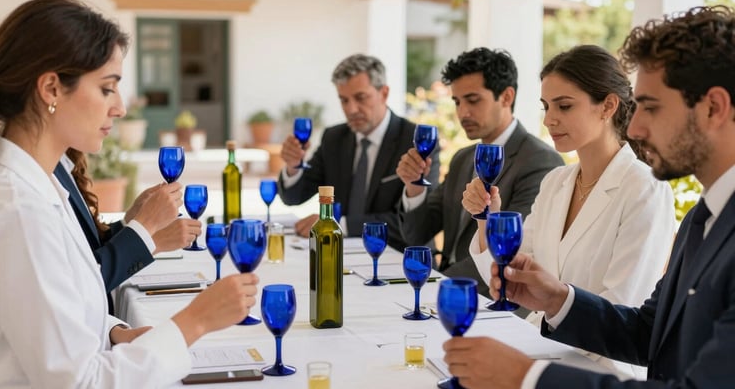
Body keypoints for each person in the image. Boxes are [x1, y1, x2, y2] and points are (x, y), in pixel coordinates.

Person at [0, 0, 258, 388]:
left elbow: (50, 313)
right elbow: (80, 383)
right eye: (107, 89)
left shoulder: (40, 187)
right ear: (51, 88)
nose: (120, 108)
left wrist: (113, 333)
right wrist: (196, 321)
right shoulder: (17, 210)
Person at [443, 5, 735, 389]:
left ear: (713, 107)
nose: (637, 125)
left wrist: (526, 377)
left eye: (651, 107)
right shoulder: (704, 218)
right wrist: (558, 299)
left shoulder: (652, 191)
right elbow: (649, 332)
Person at [460, 44, 676, 378]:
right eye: (546, 106)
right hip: (536, 348)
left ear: (607, 106)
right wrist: (487, 220)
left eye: (564, 106)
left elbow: (621, 310)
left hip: (598, 370)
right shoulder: (556, 182)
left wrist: (530, 369)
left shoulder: (644, 188)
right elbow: (511, 280)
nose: (549, 119)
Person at [396, 47, 562, 282]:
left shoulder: (540, 161)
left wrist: (437, 282)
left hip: (494, 303)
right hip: (445, 288)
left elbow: (512, 252)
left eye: (473, 100)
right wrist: (414, 187)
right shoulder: (463, 158)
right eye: (457, 102)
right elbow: (417, 235)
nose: (463, 112)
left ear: (506, 97)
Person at [278, 53, 440, 251]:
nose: (351, 109)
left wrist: (338, 224)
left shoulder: (416, 142)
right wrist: (293, 166)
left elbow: (413, 223)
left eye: (360, 98)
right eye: (344, 100)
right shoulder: (334, 138)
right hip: (342, 256)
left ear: (384, 93)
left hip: (400, 259)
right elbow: (294, 197)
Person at [55, 149, 202, 311]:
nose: (116, 121)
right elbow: (83, 283)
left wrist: (129, 221)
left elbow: (87, 248)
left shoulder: (61, 164)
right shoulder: (46, 177)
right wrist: (152, 238)